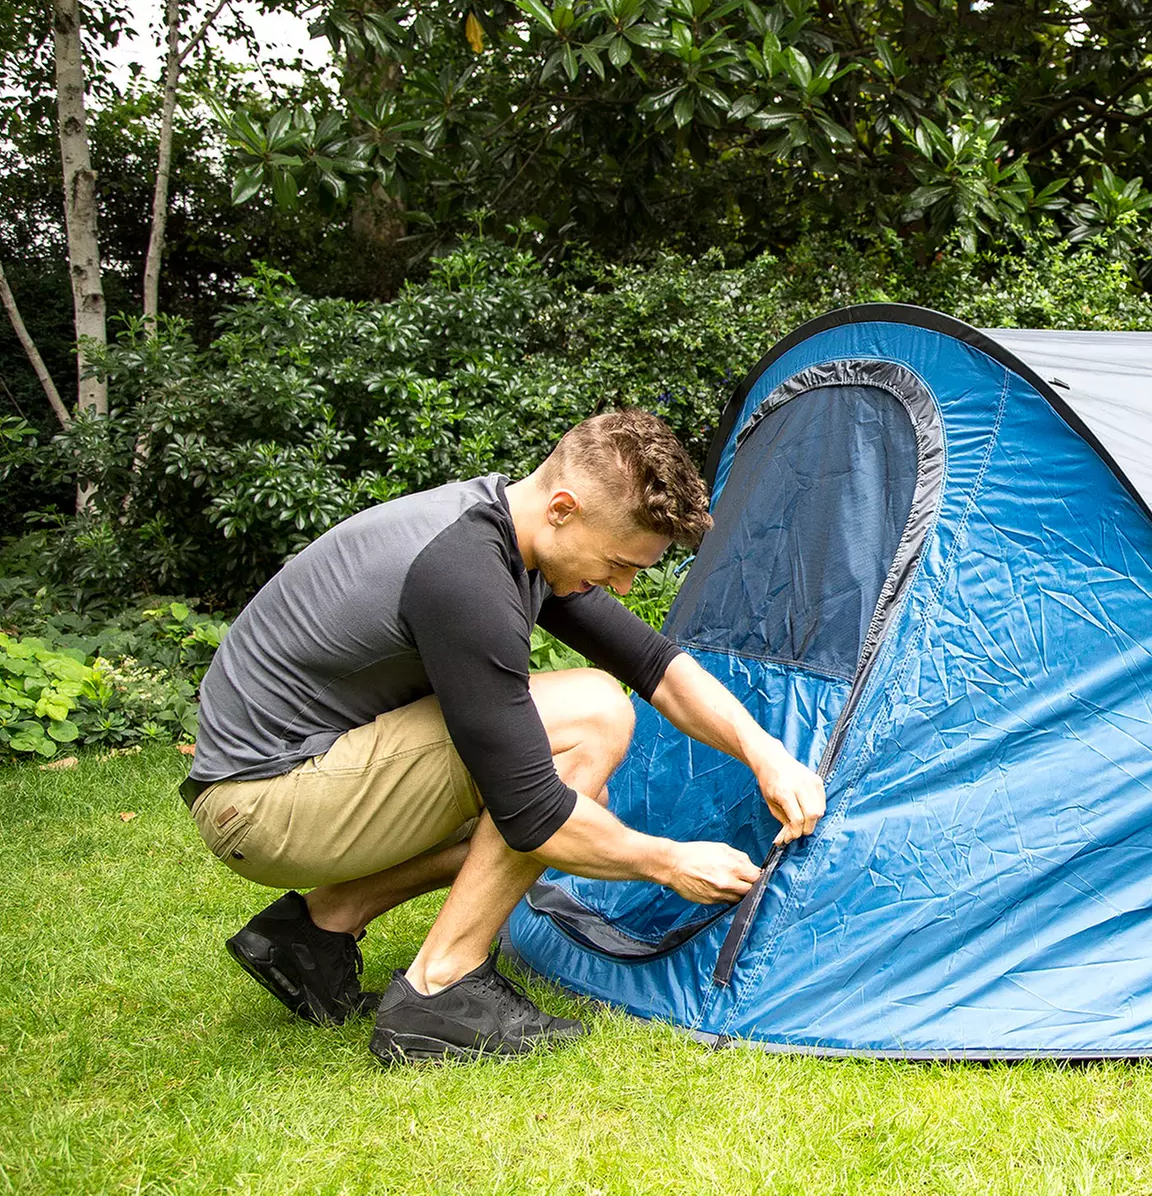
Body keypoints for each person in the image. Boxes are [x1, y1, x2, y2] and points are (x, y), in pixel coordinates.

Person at [181, 409, 824, 1064]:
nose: (624, 586)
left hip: (291, 779)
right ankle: (442, 988)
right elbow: (535, 817)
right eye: (617, 563)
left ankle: (316, 930)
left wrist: (764, 753)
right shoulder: (463, 573)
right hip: (263, 803)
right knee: (592, 721)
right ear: (564, 508)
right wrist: (670, 862)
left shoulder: (512, 535)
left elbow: (654, 665)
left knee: (582, 805)